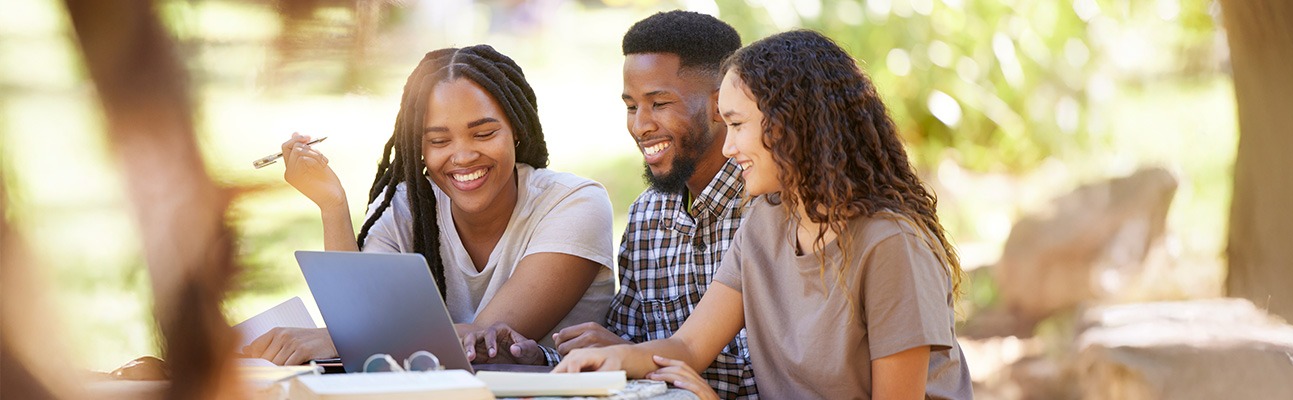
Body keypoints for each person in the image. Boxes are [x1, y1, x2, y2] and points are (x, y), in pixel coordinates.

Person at [554, 30, 974, 399]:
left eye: (737, 125)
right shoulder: (765, 220)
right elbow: (688, 348)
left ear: (789, 125)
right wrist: (611, 359)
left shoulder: (890, 245)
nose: (729, 147)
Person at [240, 44, 616, 366]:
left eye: (483, 133)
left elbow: (485, 339)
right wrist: (332, 205)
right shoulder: (404, 209)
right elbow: (357, 319)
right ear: (417, 148)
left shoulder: (574, 204)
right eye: (438, 141)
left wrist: (343, 340)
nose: (464, 155)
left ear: (516, 130)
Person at [490, 10, 760, 397]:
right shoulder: (647, 216)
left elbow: (777, 374)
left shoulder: (768, 209)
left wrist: (637, 359)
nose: (639, 126)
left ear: (720, 105)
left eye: (659, 103)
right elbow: (622, 344)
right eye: (632, 107)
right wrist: (542, 362)